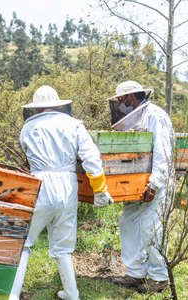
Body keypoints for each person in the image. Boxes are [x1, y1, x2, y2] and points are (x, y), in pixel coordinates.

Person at [9, 85, 113, 300]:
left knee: (24, 243)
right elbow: (91, 157)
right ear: (58, 104)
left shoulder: (27, 128)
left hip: (39, 185)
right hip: (68, 185)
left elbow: (27, 153)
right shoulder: (74, 125)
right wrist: (100, 189)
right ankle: (72, 294)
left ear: (36, 108)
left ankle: (12, 295)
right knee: (63, 245)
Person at [109, 81, 174, 293]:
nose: (121, 104)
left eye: (122, 99)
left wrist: (154, 184)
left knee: (151, 229)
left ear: (131, 97)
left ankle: (159, 277)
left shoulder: (155, 116)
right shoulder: (136, 116)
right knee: (128, 224)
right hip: (135, 185)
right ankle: (135, 273)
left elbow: (162, 152)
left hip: (156, 184)